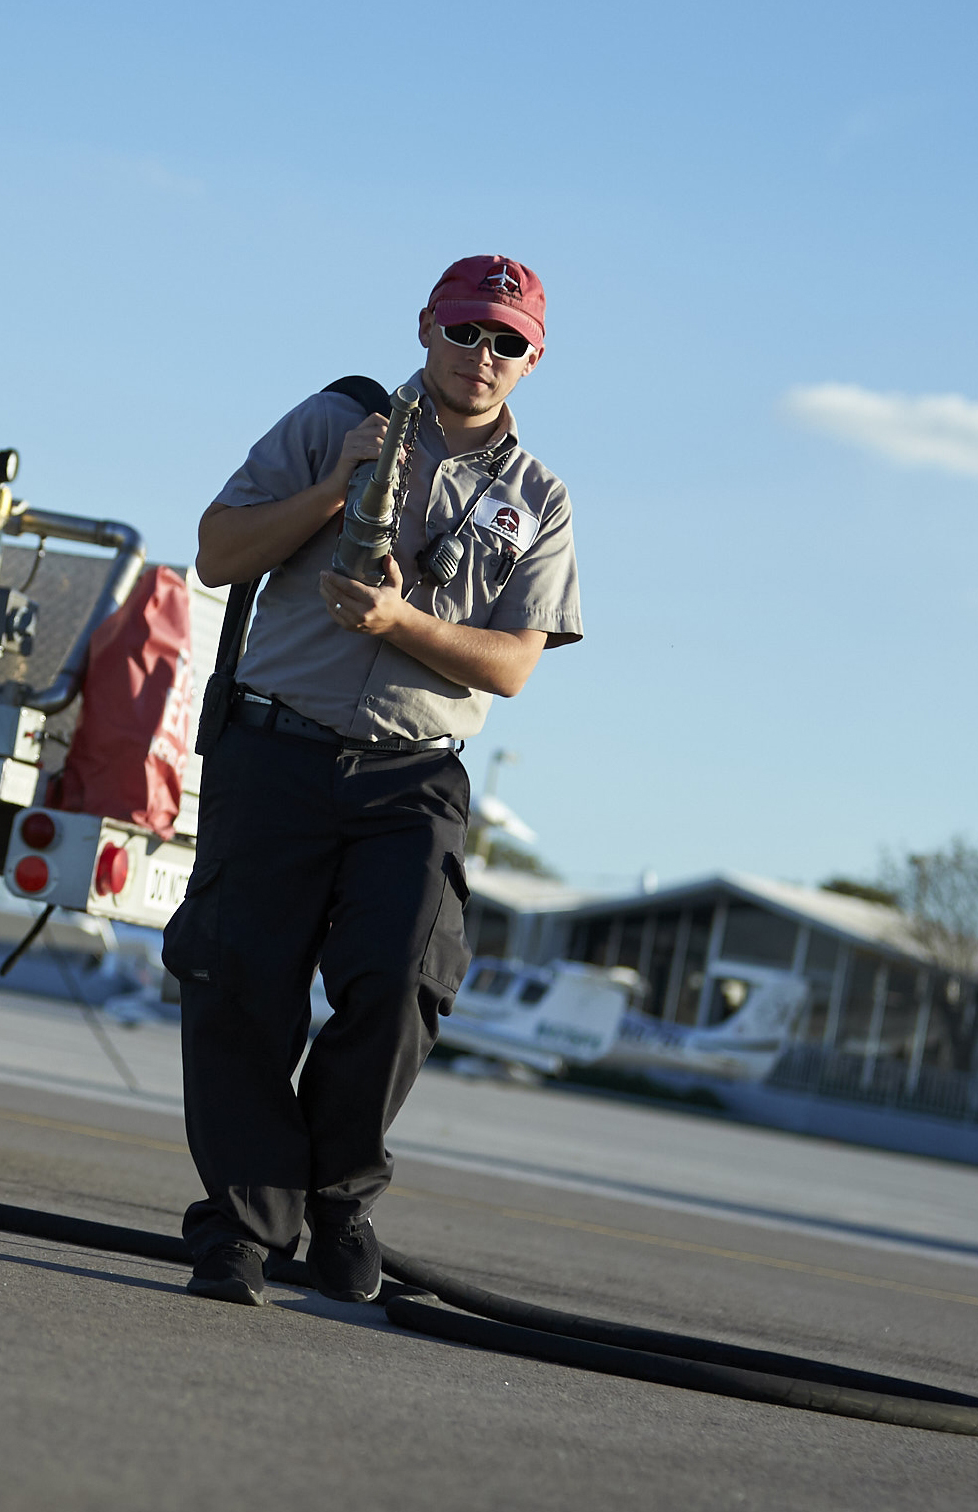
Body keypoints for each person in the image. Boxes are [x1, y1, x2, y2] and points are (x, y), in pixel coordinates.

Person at [171, 254, 584, 1306]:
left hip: (412, 775)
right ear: (425, 327)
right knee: (241, 984)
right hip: (276, 745)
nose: (481, 354)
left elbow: (512, 666)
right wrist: (332, 489)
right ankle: (243, 1227)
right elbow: (217, 551)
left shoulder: (537, 498)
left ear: (533, 360)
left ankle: (338, 1197)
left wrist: (398, 621)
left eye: (507, 341)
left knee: (404, 980)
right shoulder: (334, 420)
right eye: (465, 330)